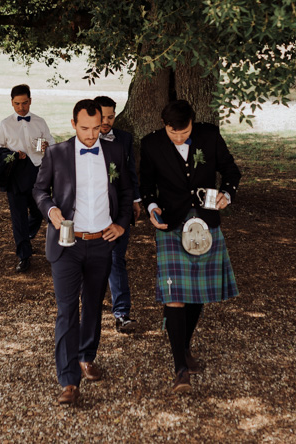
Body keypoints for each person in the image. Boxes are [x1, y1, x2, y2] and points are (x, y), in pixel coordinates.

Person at [33, 99, 133, 406]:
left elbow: (127, 192)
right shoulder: (57, 153)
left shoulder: (115, 152)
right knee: (67, 310)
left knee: (92, 304)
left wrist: (121, 225)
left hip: (102, 241)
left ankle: (87, 356)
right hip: (67, 244)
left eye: (97, 127)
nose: (92, 135)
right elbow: (39, 191)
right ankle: (68, 381)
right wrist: (49, 210)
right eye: (85, 128)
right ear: (74, 123)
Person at [140, 99, 241, 394]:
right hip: (171, 223)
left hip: (206, 221)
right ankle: (180, 370)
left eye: (185, 133)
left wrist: (227, 195)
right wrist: (152, 207)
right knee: (175, 294)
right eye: (174, 134)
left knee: (199, 293)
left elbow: (231, 171)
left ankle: (182, 345)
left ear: (192, 123)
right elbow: (145, 185)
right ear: (164, 126)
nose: (180, 138)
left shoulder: (209, 136)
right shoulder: (151, 144)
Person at [0, 84, 54, 273]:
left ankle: (25, 236)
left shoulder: (40, 122)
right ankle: (24, 255)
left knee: (38, 212)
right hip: (16, 173)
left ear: (30, 101)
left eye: (24, 103)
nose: (21, 107)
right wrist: (11, 154)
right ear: (12, 103)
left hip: (37, 172)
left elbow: (51, 142)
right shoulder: (5, 124)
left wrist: (45, 147)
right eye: (17, 104)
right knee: (18, 216)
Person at [92, 95, 142, 333]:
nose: (107, 121)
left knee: (116, 259)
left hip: (120, 210)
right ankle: (90, 299)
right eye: (102, 117)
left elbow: (130, 173)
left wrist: (135, 200)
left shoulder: (124, 139)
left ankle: (122, 313)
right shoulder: (81, 141)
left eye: (111, 117)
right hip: (91, 212)